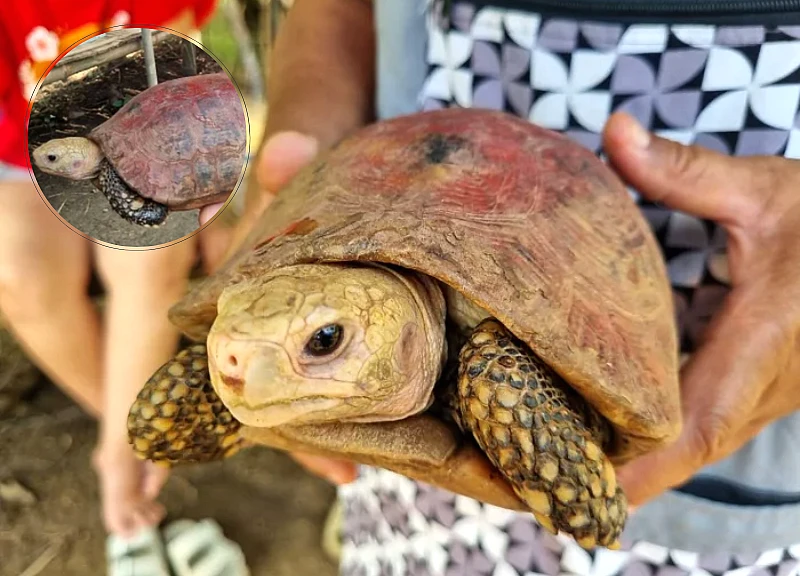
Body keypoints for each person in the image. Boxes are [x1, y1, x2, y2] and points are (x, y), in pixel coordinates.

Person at [234, 0, 800, 574]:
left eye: (327, 340)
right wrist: (308, 134)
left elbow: (505, 387)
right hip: (407, 501)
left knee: (495, 375)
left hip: (738, 365)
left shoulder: (494, 370)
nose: (235, 370)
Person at [0, 2, 246, 574]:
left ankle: (121, 456)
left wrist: (214, 189)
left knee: (149, 253)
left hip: (146, 131)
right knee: (20, 276)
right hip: (19, 143)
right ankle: (147, 438)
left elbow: (182, 66)